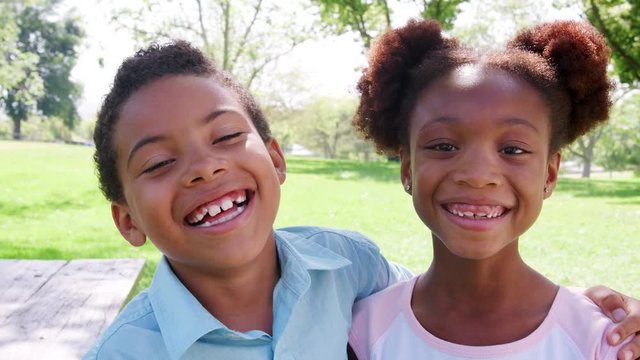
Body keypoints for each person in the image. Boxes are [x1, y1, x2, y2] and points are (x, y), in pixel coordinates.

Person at [85, 40, 639, 360]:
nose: (204, 167)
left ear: (277, 160)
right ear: (127, 220)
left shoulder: (350, 269)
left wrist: (593, 309)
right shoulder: (124, 353)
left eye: (227, 137)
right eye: (158, 163)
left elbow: (454, 295)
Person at [348, 19, 638, 359]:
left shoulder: (607, 341)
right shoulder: (362, 331)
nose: (477, 175)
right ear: (407, 167)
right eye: (443, 146)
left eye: (513, 150)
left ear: (549, 174)